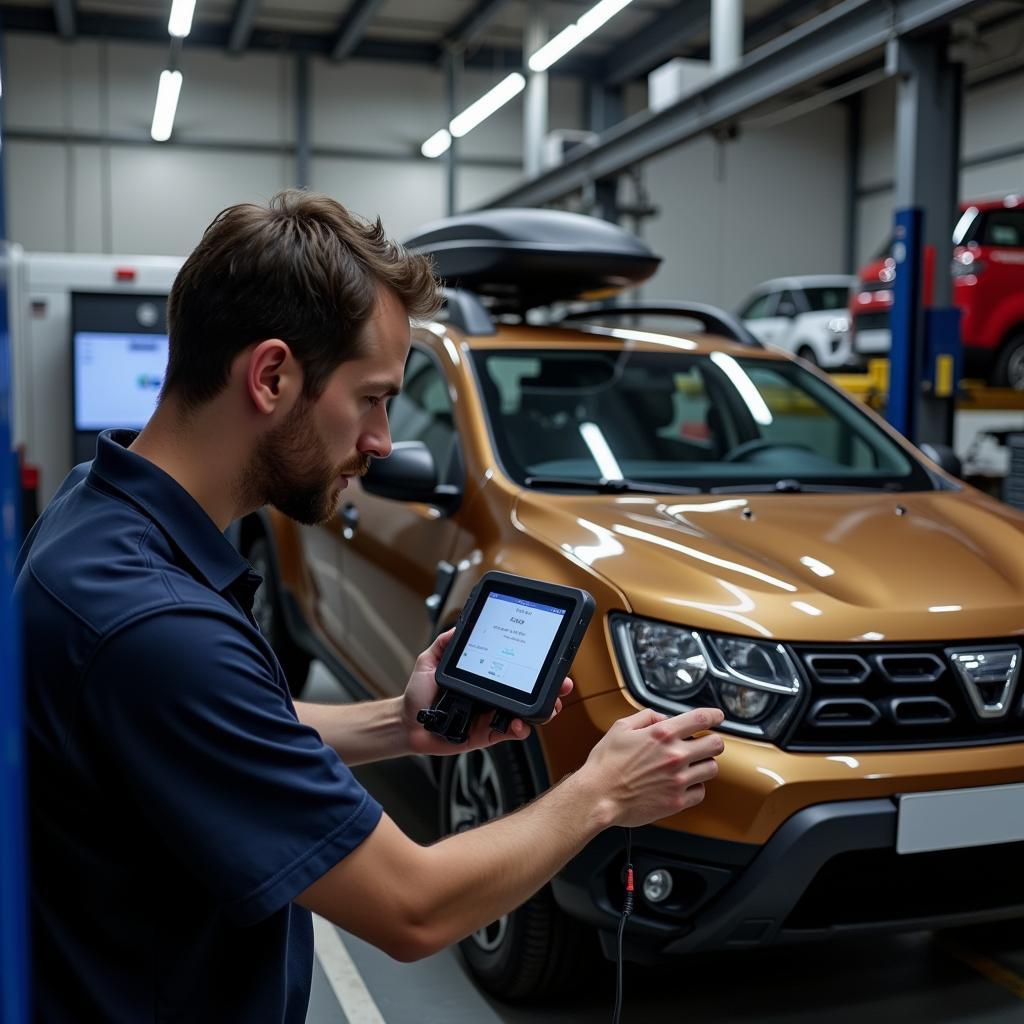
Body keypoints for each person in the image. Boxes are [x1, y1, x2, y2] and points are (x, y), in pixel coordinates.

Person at [16, 190, 725, 1023]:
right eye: (374, 397)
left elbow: (215, 731)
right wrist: (602, 791)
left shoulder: (90, 513)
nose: (384, 440)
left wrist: (399, 723)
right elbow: (411, 907)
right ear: (273, 376)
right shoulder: (155, 627)